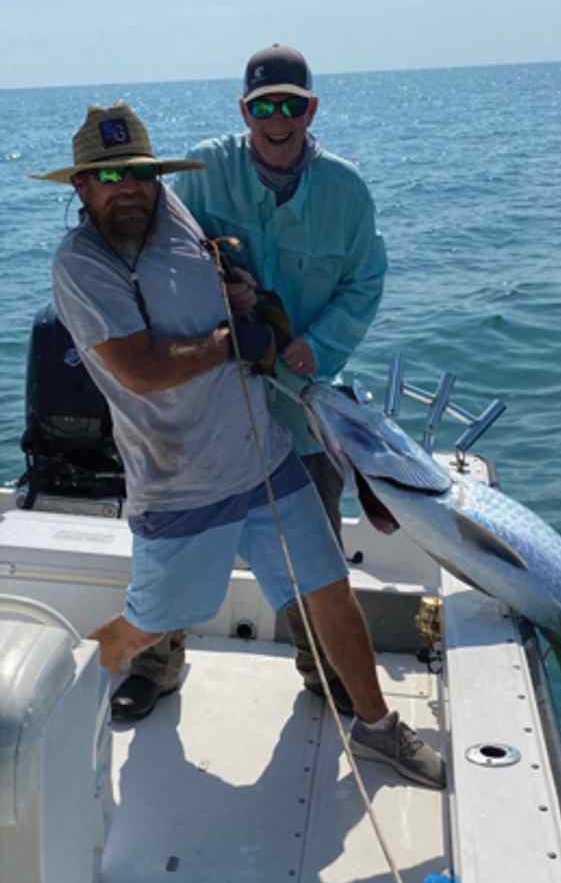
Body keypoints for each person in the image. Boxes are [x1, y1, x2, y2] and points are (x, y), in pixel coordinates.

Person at [31, 100, 445, 791]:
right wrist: (231, 344)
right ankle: (53, 703)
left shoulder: (175, 215)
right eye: (109, 177)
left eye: (138, 173)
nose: (128, 188)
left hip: (265, 460)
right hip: (180, 484)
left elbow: (214, 284)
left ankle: (376, 729)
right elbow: (141, 369)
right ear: (81, 187)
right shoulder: (82, 263)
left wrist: (242, 296)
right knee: (147, 624)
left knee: (329, 592)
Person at [169, 43, 387, 719]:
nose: (278, 118)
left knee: (315, 551)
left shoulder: (346, 190)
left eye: (291, 104)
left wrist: (315, 350)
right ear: (245, 111)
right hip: (212, 395)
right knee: (179, 537)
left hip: (300, 399)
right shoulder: (202, 172)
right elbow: (159, 257)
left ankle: (322, 670)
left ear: (311, 109)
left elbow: (365, 283)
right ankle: (155, 661)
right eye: (264, 106)